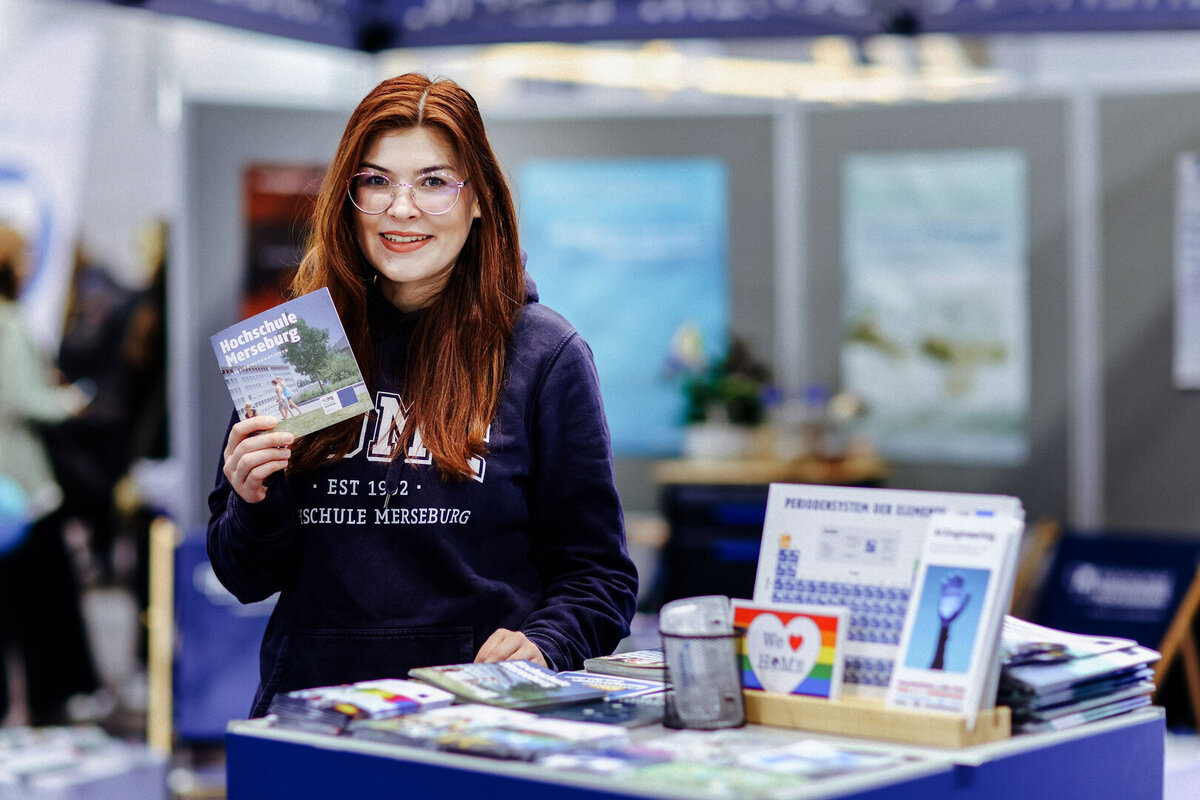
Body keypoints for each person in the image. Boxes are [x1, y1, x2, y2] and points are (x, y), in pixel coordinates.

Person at [207, 73, 639, 718]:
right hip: (320, 722)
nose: (400, 208)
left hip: (476, 726)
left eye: (434, 182)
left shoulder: (543, 353)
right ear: (348, 199)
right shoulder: (302, 343)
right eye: (376, 181)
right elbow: (243, 576)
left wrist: (546, 645)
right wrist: (251, 501)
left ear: (479, 199)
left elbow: (599, 575)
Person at [0, 223, 102, 725]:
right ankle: (54, 701)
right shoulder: (10, 323)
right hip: (21, 487)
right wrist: (71, 401)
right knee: (43, 603)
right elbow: (23, 400)